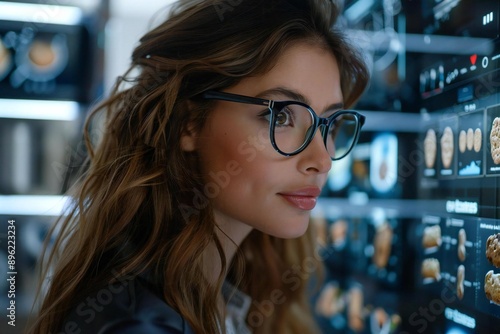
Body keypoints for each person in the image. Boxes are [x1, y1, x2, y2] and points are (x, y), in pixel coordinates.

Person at [29, 0, 369, 333]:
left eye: (330, 124)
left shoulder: (227, 293)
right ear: (189, 123)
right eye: (280, 116)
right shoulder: (137, 323)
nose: (321, 160)